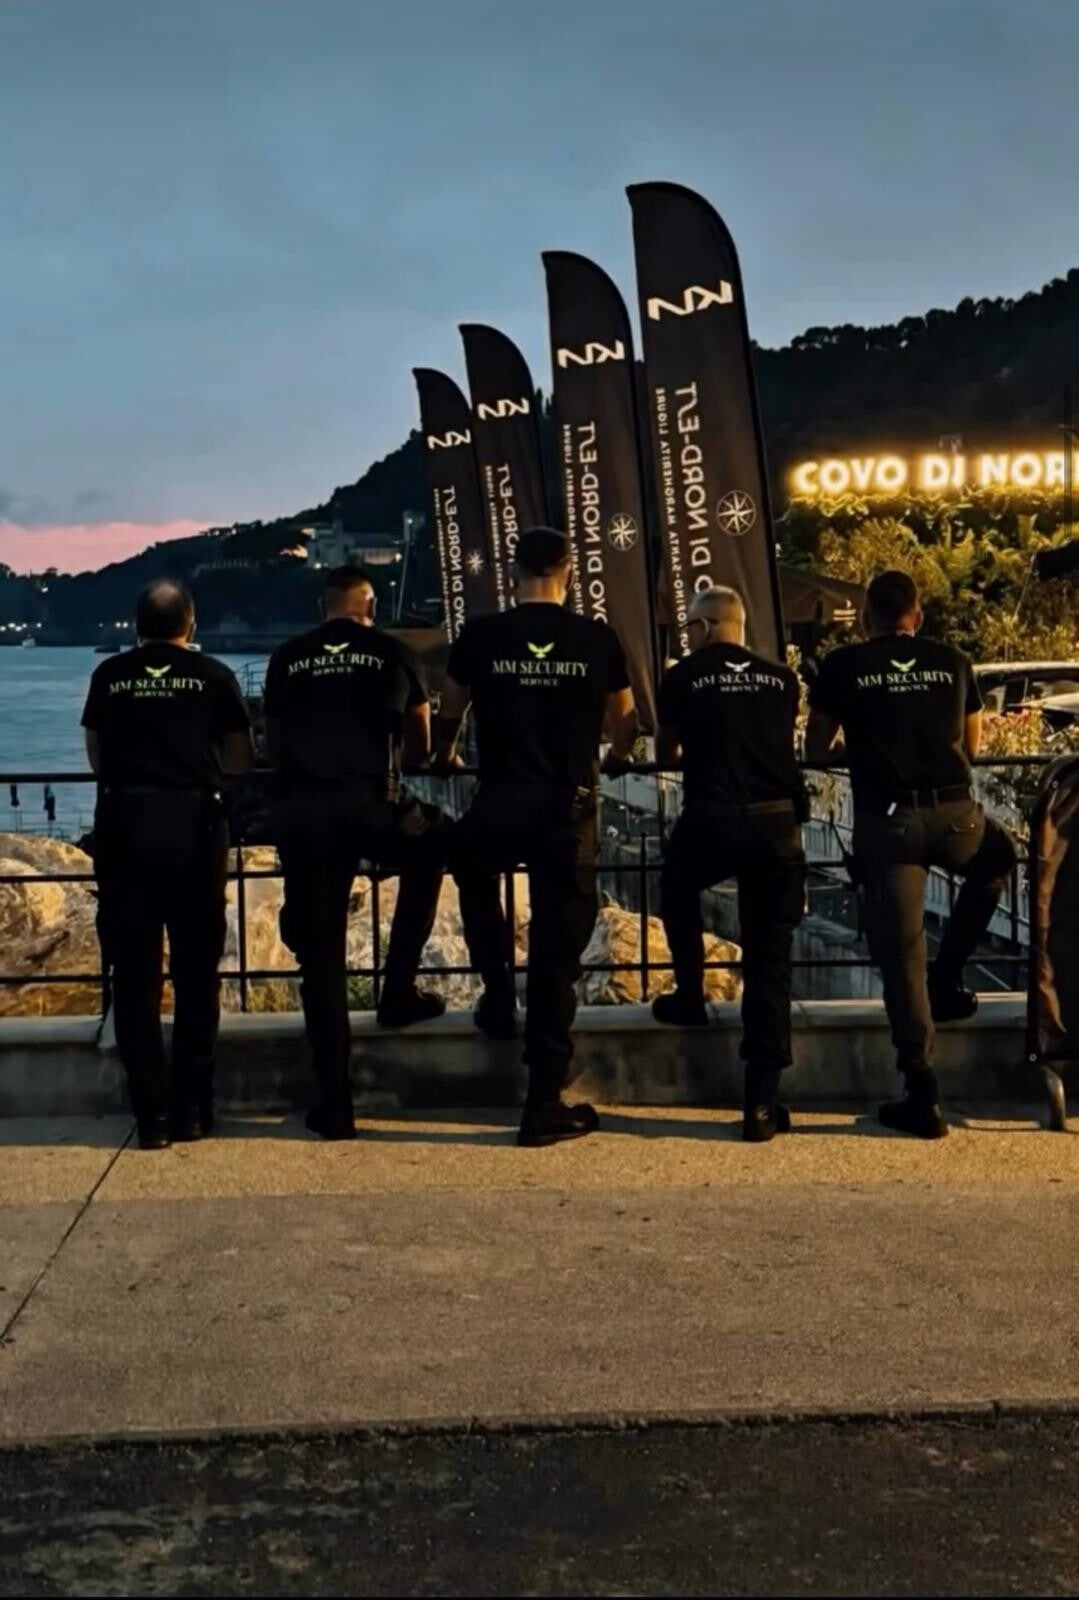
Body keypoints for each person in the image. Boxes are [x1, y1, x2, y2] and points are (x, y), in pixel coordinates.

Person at [435, 526, 638, 1148]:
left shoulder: (481, 636)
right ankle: (543, 1099)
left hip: (500, 800)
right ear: (569, 572)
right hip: (567, 809)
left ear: (513, 572)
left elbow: (450, 711)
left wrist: (445, 756)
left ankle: (497, 991)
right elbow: (628, 722)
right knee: (556, 956)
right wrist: (613, 761)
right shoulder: (597, 638)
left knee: (473, 872)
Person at [805, 569, 1018, 1139]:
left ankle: (922, 1090)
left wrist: (859, 748)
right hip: (956, 817)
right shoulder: (954, 661)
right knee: (998, 861)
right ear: (917, 614)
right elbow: (971, 747)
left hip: (890, 824)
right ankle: (949, 979)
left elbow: (815, 748)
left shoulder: (843, 665)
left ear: (866, 617)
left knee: (902, 959)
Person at [264, 565, 445, 1141]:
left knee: (322, 963)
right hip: (372, 805)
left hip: (307, 814)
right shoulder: (393, 652)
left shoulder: (287, 658)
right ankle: (399, 987)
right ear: (370, 608)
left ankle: (335, 1106)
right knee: (431, 850)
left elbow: (272, 743)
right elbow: (419, 741)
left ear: (324, 608)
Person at [83, 579, 253, 1149]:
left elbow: (97, 754)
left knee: (135, 977)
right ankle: (194, 1110)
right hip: (195, 829)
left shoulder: (109, 675)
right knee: (197, 973)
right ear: (191, 624)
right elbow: (240, 754)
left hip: (125, 827)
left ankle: (151, 1116)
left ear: (137, 626)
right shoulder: (214, 676)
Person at [651, 586, 807, 1141]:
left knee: (675, 886)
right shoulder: (782, 679)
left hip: (713, 820)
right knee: (770, 959)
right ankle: (761, 1103)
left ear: (704, 628)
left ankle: (690, 993)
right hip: (776, 823)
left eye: (691, 627)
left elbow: (665, 753)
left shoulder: (684, 677)